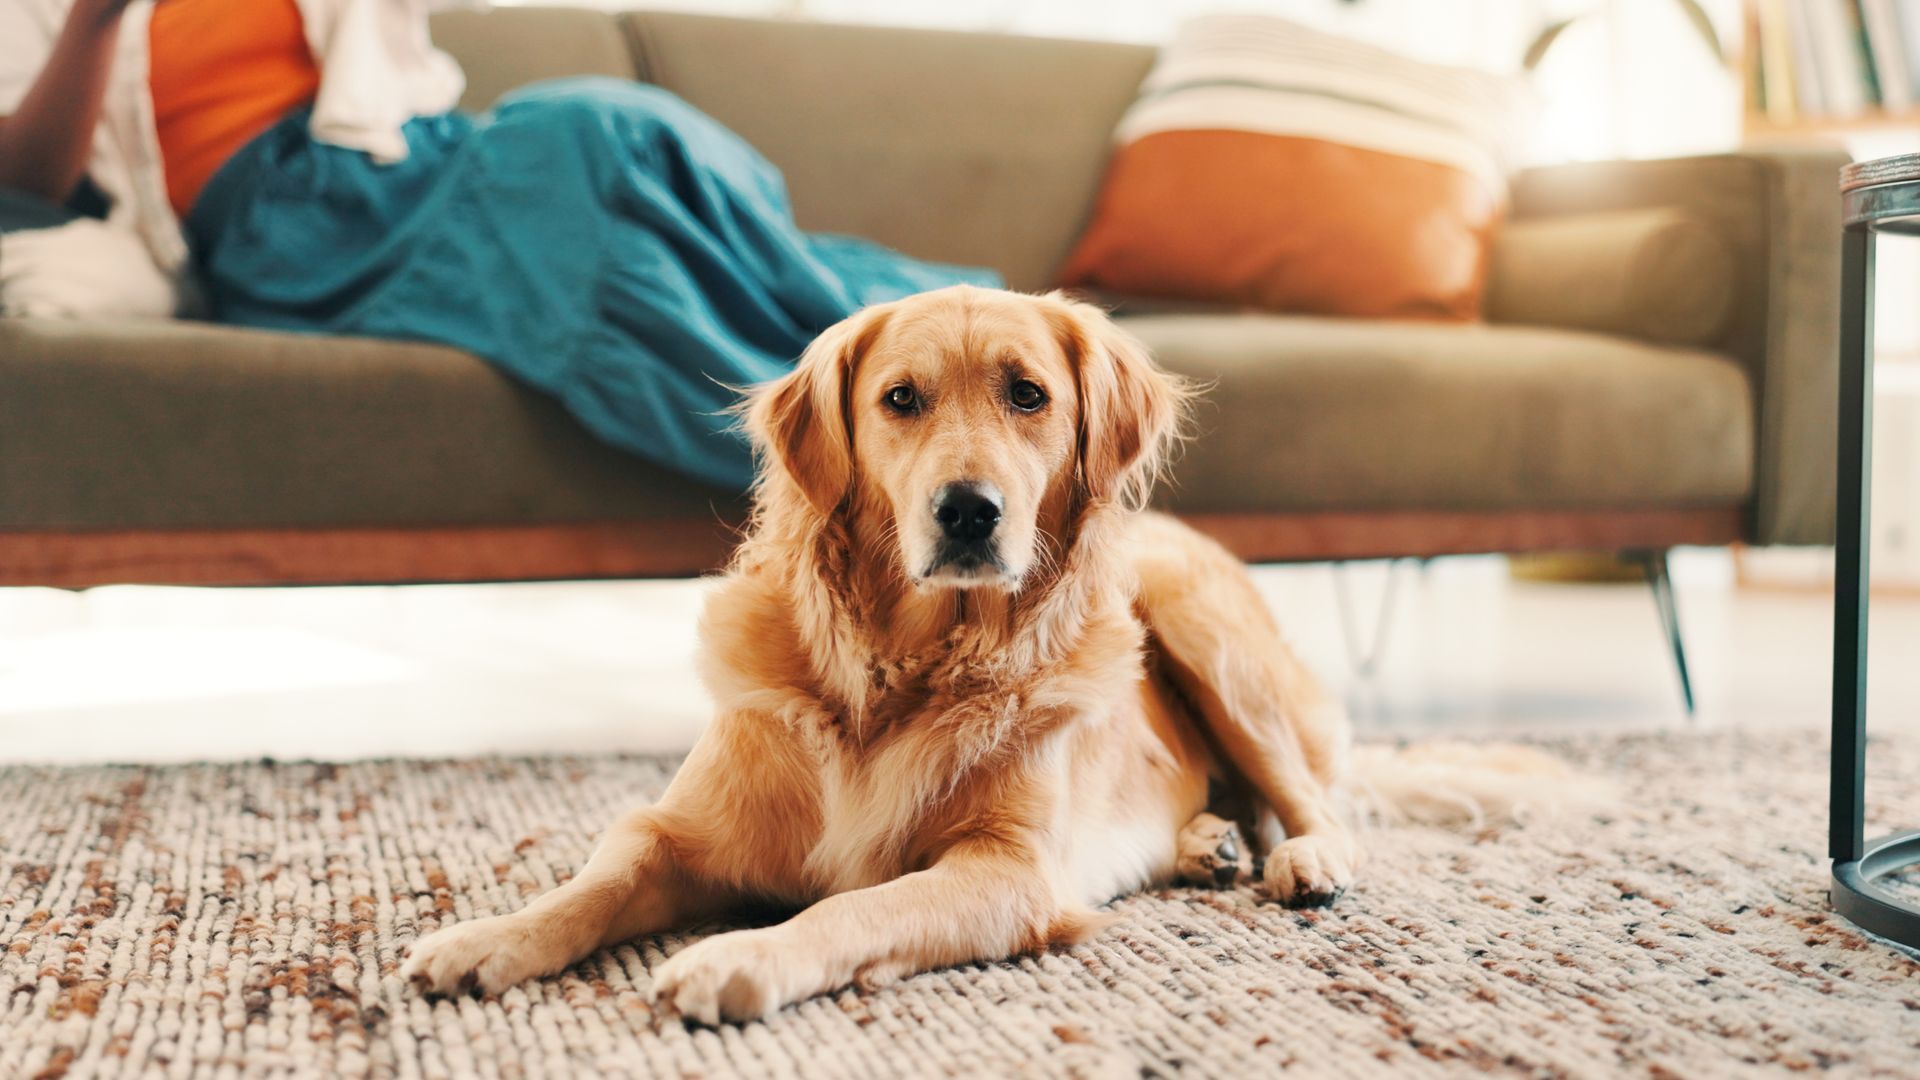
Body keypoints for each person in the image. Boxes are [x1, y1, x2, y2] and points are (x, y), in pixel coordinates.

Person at [0, 0, 996, 488]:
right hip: (288, 239)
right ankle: (855, 461)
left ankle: (904, 352)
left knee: (604, 128)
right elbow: (29, 176)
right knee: (589, 234)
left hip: (423, 158)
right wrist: (95, 18)